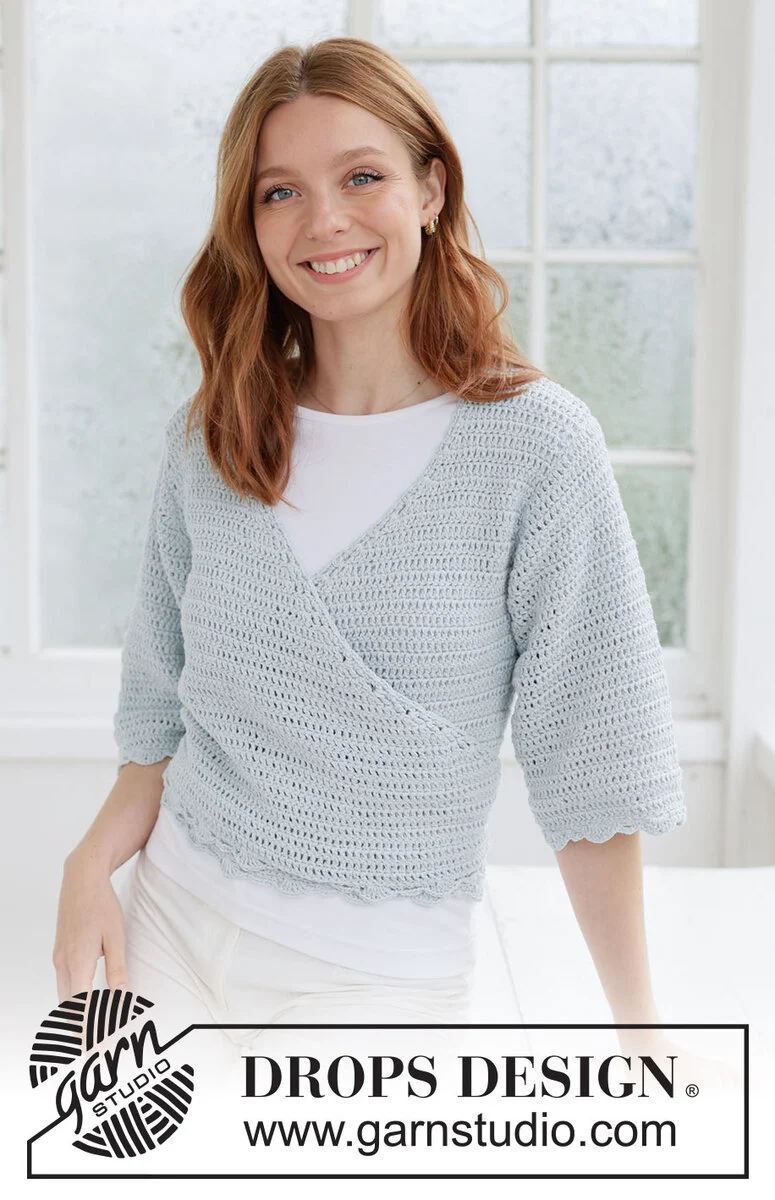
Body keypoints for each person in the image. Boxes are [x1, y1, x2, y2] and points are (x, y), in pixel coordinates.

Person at [53, 37, 690, 1068]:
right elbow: (159, 711)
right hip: (164, 926)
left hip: (374, 981)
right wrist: (88, 867)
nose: (324, 221)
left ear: (429, 190)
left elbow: (592, 762)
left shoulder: (535, 447)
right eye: (280, 192)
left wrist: (641, 1036)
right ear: (249, 223)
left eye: (361, 177)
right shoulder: (211, 436)